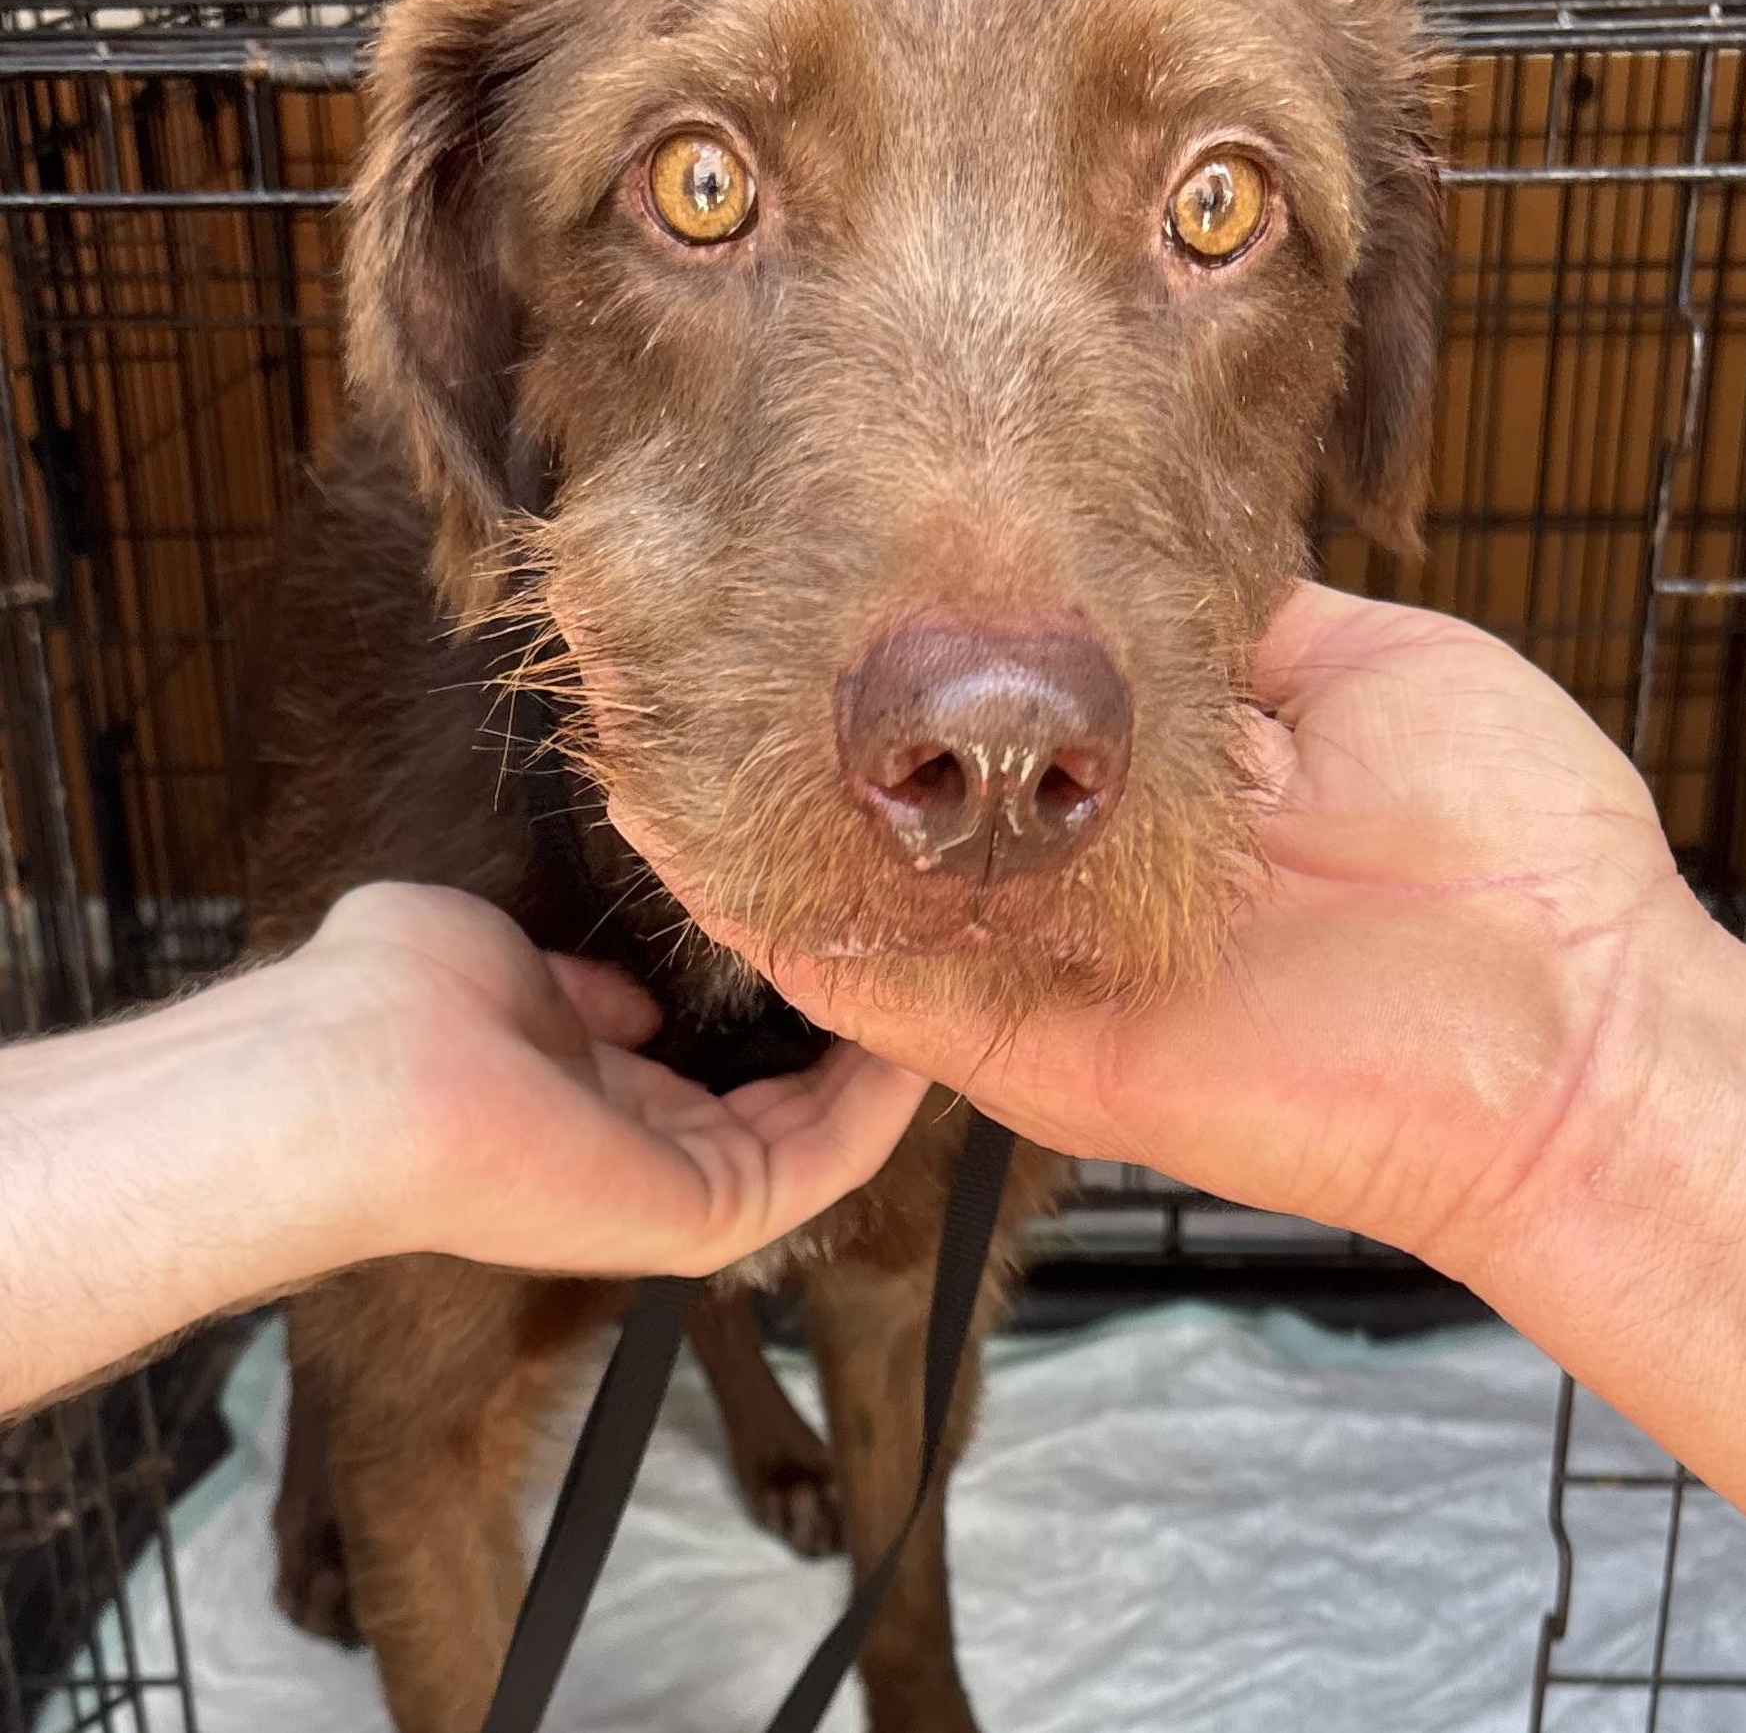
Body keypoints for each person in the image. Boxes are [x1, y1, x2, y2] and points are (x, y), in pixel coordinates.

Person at [2, 585, 1743, 1514]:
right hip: (519, 857)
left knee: (885, 1298)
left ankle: (909, 1661)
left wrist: (1582, 1076)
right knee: (409, 1359)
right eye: (705, 189)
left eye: (1212, 210)